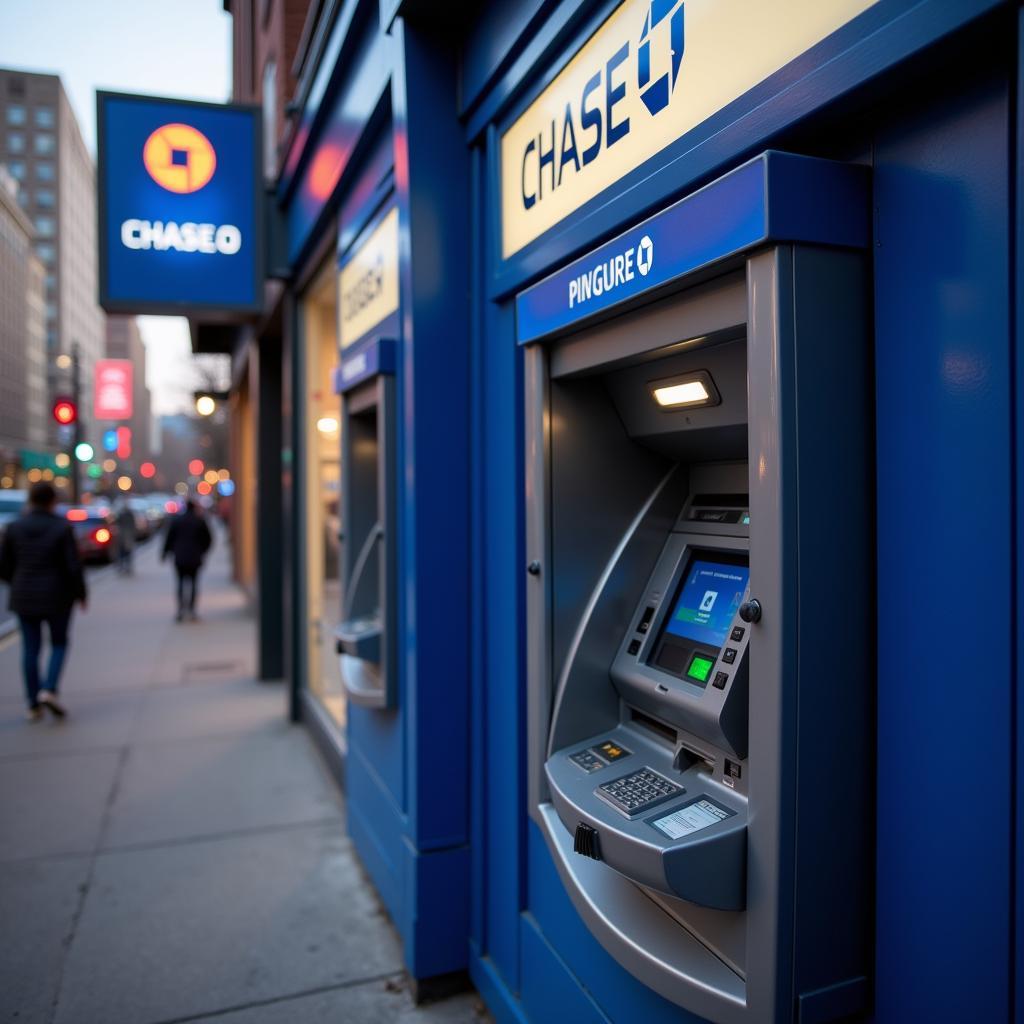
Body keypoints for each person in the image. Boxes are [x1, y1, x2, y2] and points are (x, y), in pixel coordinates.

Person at [0, 481, 87, 720]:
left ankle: (32, 703)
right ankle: (49, 689)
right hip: (57, 596)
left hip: (24, 596)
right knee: (58, 643)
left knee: (30, 649)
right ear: (52, 501)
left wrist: (18, 583)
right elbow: (73, 566)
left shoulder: (14, 527)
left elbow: (4, 566)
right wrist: (81, 594)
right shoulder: (61, 527)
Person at [162, 499, 212, 621]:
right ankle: (192, 610)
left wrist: (165, 553)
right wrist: (202, 551)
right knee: (194, 583)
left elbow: (169, 538)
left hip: (180, 557)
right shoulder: (199, 521)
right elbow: (209, 539)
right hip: (195, 557)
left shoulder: (177, 520)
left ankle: (180, 610)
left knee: (180, 583)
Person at [114, 498, 136, 574]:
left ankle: (124, 567)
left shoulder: (123, 514)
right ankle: (125, 567)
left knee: (124, 553)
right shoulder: (128, 514)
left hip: (124, 537)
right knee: (126, 553)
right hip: (126, 537)